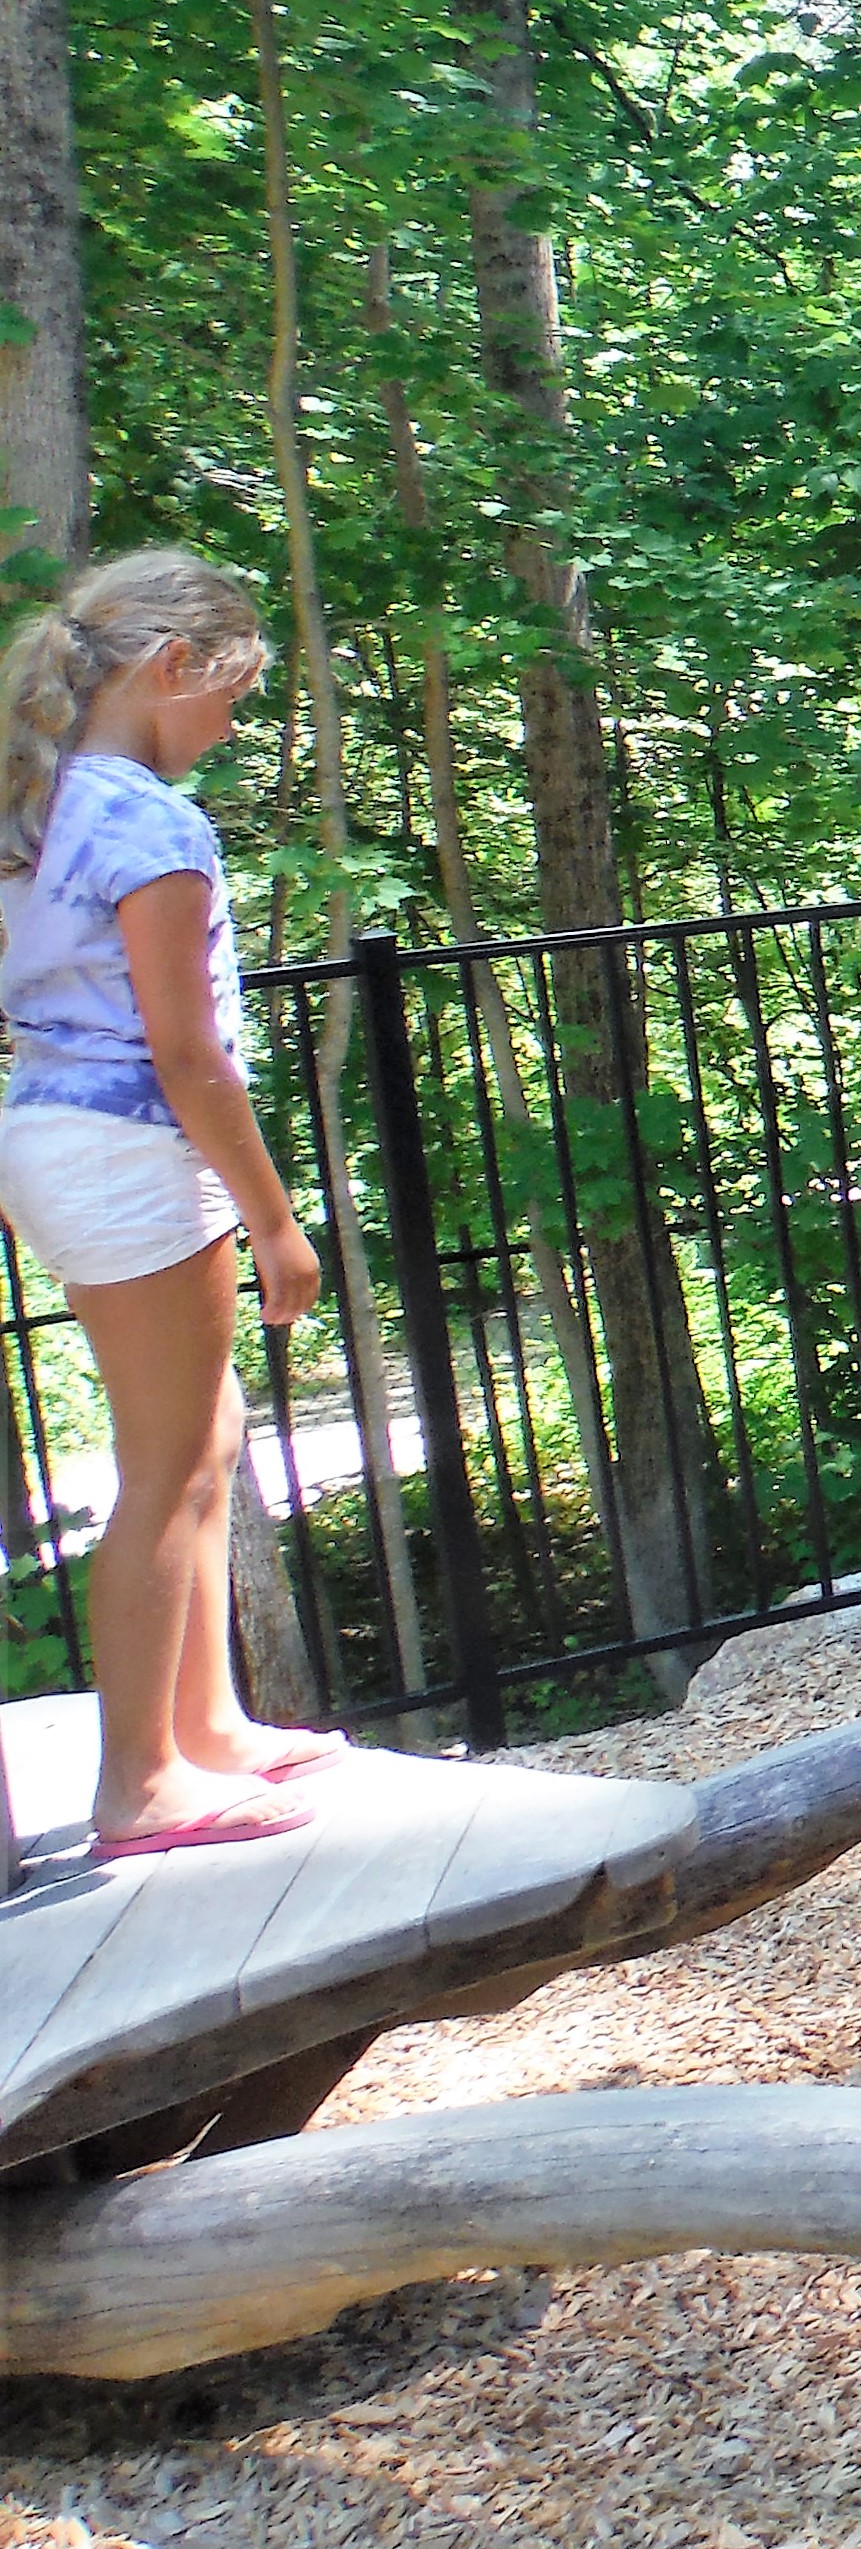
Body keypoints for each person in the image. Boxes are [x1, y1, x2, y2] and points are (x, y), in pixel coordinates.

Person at [0, 551, 340, 1857]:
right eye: (232, 696)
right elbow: (187, 1054)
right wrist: (274, 1218)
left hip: (55, 1131)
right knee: (166, 1466)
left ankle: (208, 1727)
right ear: (171, 666)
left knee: (207, 1433)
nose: (233, 727)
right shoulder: (148, 823)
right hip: (136, 1146)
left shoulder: (38, 800)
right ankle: (140, 1784)